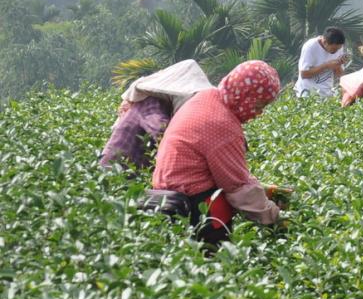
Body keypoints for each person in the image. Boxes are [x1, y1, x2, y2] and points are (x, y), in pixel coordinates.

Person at [141, 60, 283, 245]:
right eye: (258, 106)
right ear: (246, 96)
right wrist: (275, 217)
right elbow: (237, 187)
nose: (259, 113)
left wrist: (260, 190)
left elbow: (231, 172)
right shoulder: (222, 123)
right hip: (195, 206)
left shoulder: (207, 97)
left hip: (164, 195)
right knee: (212, 264)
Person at [99, 59, 212, 170]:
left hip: (127, 165)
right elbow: (159, 130)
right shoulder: (152, 101)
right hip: (116, 168)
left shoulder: (155, 101)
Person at [295, 27, 348, 98]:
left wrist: (338, 64)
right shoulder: (310, 47)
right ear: (325, 42)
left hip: (327, 94)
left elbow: (340, 75)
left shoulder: (338, 48)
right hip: (307, 94)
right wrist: (326, 65)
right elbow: (304, 74)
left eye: (338, 49)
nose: (336, 51)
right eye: (333, 49)